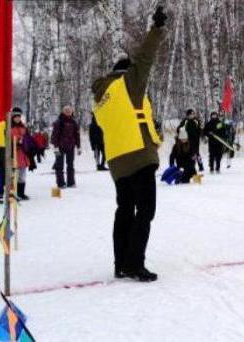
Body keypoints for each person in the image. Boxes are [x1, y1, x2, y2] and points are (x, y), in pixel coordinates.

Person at [91, 6, 167, 282]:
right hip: (138, 157)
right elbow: (145, 58)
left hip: (117, 163)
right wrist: (156, 29)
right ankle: (136, 263)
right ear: (125, 73)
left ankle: (121, 262)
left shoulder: (101, 99)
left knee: (124, 209)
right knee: (145, 212)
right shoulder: (128, 84)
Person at [51, 105, 81, 188]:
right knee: (59, 165)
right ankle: (60, 183)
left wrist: (79, 146)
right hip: (60, 146)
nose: (68, 112)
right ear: (63, 112)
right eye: (66, 111)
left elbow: (77, 135)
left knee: (70, 165)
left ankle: (71, 182)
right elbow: (55, 135)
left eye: (69, 111)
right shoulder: (59, 122)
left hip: (70, 146)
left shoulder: (74, 122)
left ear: (72, 112)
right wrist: (55, 146)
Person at [10, 108, 30, 201]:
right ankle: (14, 193)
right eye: (16, 117)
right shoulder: (10, 127)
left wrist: (24, 141)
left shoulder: (23, 127)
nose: (17, 119)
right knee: (15, 175)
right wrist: (17, 141)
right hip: (14, 153)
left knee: (22, 175)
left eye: (19, 117)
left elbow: (27, 138)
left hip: (23, 153)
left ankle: (21, 193)